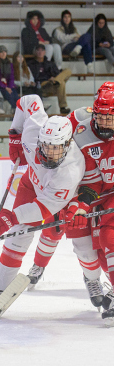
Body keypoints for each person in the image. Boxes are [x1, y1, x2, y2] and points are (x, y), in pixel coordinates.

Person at [0, 95, 86, 309]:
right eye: (45, 146)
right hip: (31, 184)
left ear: (68, 144)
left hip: (58, 199)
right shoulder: (34, 130)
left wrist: (9, 218)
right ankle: (0, 289)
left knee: (52, 233)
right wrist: (15, 134)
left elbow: (42, 208)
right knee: (17, 238)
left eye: (56, 148)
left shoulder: (71, 170)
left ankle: (39, 266)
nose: (49, 152)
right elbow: (28, 100)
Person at [64, 89, 114, 324]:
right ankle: (92, 279)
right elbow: (88, 177)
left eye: (110, 116)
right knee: (87, 249)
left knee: (108, 239)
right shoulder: (80, 132)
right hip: (91, 194)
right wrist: (79, 206)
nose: (104, 121)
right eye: (101, 115)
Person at [28, 44, 72, 114]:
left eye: (42, 50)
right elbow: (32, 78)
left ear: (45, 52)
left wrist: (54, 78)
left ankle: (57, 81)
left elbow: (57, 73)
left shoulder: (50, 63)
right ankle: (62, 107)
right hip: (41, 85)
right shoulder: (31, 64)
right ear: (35, 52)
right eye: (38, 50)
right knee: (61, 83)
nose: (40, 52)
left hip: (52, 84)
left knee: (68, 71)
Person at [0, 45, 19, 112]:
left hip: (9, 86)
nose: (3, 54)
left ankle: (17, 112)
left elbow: (11, 77)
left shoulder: (10, 64)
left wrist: (10, 86)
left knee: (16, 97)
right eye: (1, 52)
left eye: (5, 52)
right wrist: (4, 87)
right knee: (9, 96)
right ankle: (13, 113)